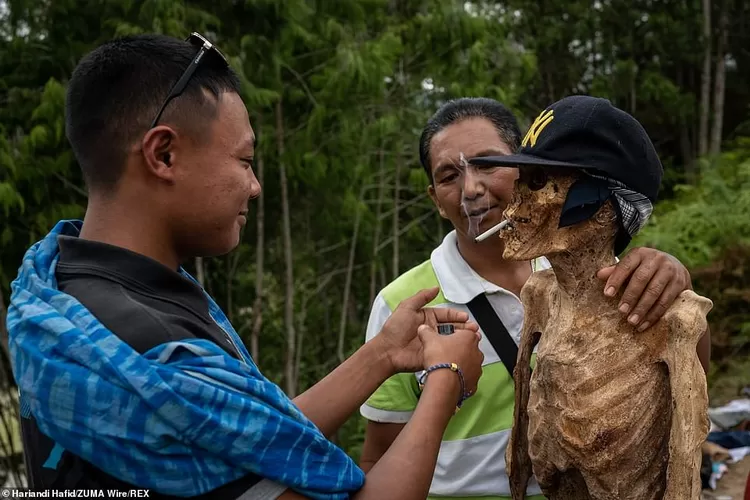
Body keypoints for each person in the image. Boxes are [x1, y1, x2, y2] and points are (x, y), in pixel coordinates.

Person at [6, 33, 485, 500]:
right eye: (245, 160)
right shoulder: (155, 349)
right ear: (164, 154)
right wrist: (444, 379)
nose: (254, 186)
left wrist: (383, 354)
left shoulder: (68, 289)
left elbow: (245, 440)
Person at [358, 97, 711, 500]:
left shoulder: (606, 279)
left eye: (488, 164)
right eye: (449, 175)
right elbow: (378, 455)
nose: (472, 189)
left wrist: (673, 280)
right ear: (435, 198)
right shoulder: (402, 305)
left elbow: (688, 391)